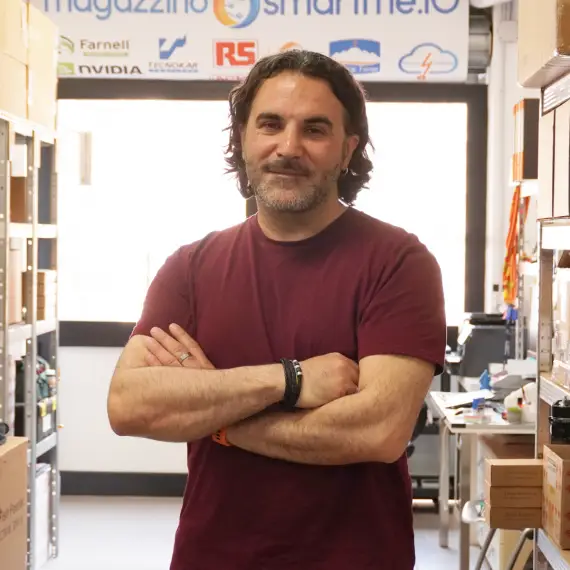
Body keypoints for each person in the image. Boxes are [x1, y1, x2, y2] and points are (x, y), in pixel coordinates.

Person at [107, 49, 446, 570]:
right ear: (243, 138)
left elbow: (377, 430)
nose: (288, 147)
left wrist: (221, 423)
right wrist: (288, 380)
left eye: (315, 129)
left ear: (347, 149)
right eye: (270, 124)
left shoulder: (399, 263)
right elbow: (130, 405)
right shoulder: (191, 267)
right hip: (212, 558)